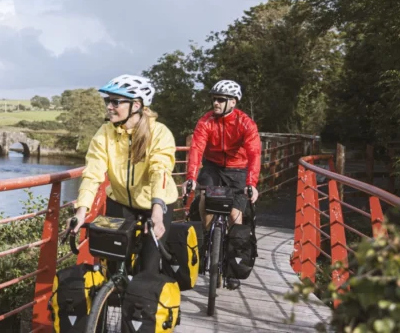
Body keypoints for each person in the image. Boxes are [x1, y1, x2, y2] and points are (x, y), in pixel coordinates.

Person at [70, 74, 178, 274]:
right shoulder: (105, 132)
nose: (109, 106)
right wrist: (81, 210)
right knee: (112, 266)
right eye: (108, 101)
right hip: (119, 201)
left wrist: (156, 211)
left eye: (115, 102)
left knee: (149, 268)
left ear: (136, 105)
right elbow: (93, 173)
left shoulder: (160, 133)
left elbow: (159, 171)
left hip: (155, 203)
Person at [183, 79, 261, 289]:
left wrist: (252, 183)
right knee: (206, 198)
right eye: (214, 99)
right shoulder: (206, 121)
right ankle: (207, 238)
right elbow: (197, 149)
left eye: (221, 99)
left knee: (236, 216)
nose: (215, 103)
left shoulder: (245, 123)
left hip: (239, 169)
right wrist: (190, 177)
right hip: (213, 166)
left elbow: (254, 153)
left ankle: (230, 261)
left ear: (233, 102)